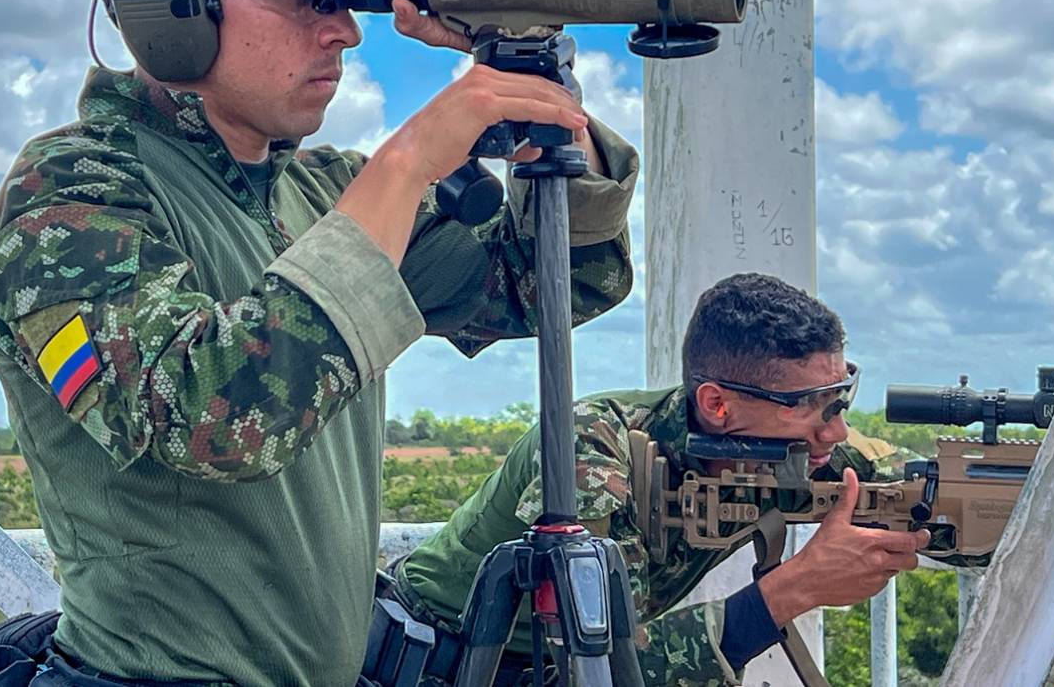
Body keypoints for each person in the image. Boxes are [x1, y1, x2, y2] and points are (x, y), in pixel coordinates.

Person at [0, 0, 638, 687]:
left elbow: (550, 285)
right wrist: (408, 161)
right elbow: (208, 418)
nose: (344, 34)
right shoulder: (69, 194)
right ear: (170, 1)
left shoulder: (322, 193)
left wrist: (520, 58)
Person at [391, 272, 939, 686]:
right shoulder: (595, 447)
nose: (836, 430)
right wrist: (795, 588)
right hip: (438, 664)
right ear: (718, 405)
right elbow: (603, 666)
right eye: (811, 406)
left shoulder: (801, 450)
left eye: (840, 399)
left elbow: (932, 496)